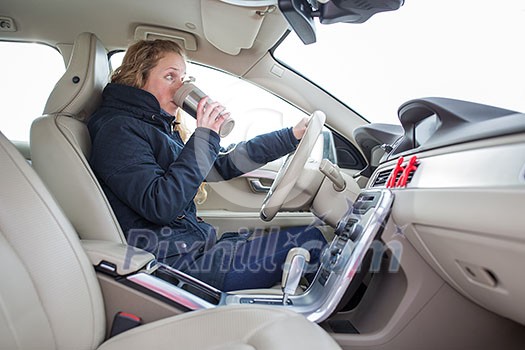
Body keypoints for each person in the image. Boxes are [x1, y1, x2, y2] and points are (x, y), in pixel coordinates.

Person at [88, 39, 327, 291]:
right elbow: (161, 204)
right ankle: (351, 325)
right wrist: (205, 136)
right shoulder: (118, 130)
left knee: (304, 237)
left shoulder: (155, 126)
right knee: (309, 240)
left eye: (184, 78)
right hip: (180, 267)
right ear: (138, 78)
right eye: (170, 76)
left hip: (194, 251)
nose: (182, 86)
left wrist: (290, 136)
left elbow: (221, 163)